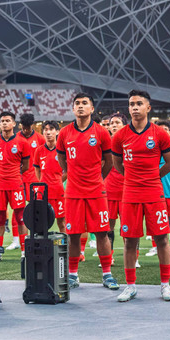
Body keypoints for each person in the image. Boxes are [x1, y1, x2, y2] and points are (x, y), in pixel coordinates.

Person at [111, 90, 170, 302]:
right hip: (129, 193)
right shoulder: (120, 136)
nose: (135, 107)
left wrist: (151, 177)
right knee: (130, 240)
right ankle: (130, 286)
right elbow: (117, 164)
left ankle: (165, 285)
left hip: (154, 193)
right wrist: (133, 178)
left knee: (161, 238)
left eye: (139, 103)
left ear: (148, 107)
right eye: (131, 104)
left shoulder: (159, 134)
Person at [56, 92, 119, 291]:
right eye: (77, 103)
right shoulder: (64, 133)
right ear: (73, 109)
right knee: (73, 234)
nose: (81, 106)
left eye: (85, 103)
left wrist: (96, 178)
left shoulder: (101, 132)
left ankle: (107, 274)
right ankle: (73, 275)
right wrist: (76, 176)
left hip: (96, 191)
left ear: (92, 108)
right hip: (73, 192)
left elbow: (109, 162)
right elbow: (63, 162)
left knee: (102, 232)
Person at [0, 112, 30, 257]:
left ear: (14, 124)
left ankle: (24, 251)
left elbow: (25, 165)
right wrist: (0, 174)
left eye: (7, 120)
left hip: (15, 184)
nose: (4, 123)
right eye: (2, 121)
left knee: (20, 217)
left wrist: (13, 174)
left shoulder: (22, 142)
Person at [146, 120, 170, 257]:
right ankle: (155, 247)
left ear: (169, 132)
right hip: (154, 191)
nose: (162, 132)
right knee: (153, 219)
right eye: (159, 129)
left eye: (165, 129)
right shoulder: (150, 147)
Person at [15, 113, 45, 249]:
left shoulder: (40, 138)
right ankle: (17, 240)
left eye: (28, 127)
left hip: (35, 179)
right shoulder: (15, 139)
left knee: (35, 209)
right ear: (21, 125)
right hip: (19, 178)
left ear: (32, 125)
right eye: (24, 127)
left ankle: (37, 236)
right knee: (18, 209)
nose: (26, 130)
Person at [104, 112, 128, 267]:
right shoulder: (105, 145)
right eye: (111, 122)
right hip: (109, 191)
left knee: (129, 228)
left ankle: (133, 257)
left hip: (127, 192)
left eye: (117, 122)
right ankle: (109, 257)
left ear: (124, 125)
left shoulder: (131, 142)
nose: (113, 125)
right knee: (108, 227)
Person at [33, 121, 66, 232]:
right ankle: (42, 247)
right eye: (45, 129)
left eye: (51, 129)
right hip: (43, 192)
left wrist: (58, 181)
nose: (48, 132)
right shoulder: (39, 150)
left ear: (57, 131)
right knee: (42, 222)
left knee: (61, 222)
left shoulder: (62, 150)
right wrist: (43, 182)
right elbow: (37, 169)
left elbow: (68, 170)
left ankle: (65, 247)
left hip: (58, 190)